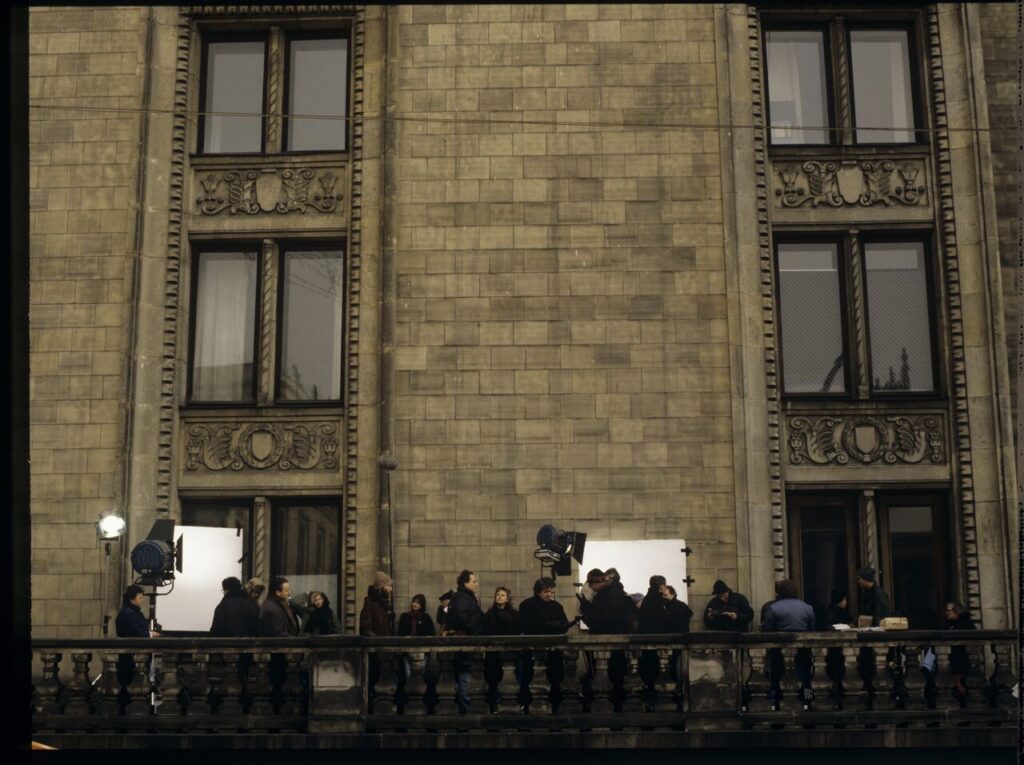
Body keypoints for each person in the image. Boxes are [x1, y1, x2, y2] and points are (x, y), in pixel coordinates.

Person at [579, 565, 634, 712]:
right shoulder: (616, 593)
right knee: (616, 674)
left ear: (598, 582)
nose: (590, 587)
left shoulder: (608, 596)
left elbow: (603, 620)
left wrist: (586, 611)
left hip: (608, 641)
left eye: (591, 584)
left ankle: (609, 706)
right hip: (617, 641)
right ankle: (615, 704)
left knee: (608, 675)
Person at [518, 577, 572, 712]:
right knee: (530, 679)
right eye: (545, 591)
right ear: (538, 591)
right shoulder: (527, 605)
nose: (549, 594)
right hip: (534, 649)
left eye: (550, 591)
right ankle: (528, 706)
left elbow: (563, 624)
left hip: (554, 651)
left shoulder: (556, 606)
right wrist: (549, 625)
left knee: (554, 679)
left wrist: (563, 625)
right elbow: (525, 625)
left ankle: (554, 706)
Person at [761, 579, 816, 710]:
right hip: (803, 651)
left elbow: (767, 629)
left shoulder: (773, 608)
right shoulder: (807, 608)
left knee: (776, 678)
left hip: (779, 652)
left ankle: (776, 705)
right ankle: (807, 703)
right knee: (806, 679)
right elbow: (812, 630)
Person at [444, 569, 483, 714]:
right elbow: (462, 617)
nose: (476, 584)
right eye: (474, 581)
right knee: (463, 675)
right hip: (465, 641)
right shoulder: (462, 597)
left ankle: (464, 708)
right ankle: (464, 710)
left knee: (464, 674)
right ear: (466, 583)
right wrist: (474, 631)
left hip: (466, 641)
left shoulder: (465, 597)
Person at [115, 584, 159, 700]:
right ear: (132, 599)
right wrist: (150, 634)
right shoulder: (128, 613)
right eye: (139, 598)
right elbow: (134, 633)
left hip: (131, 658)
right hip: (130, 658)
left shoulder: (130, 612)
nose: (142, 600)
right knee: (130, 686)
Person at [359, 571, 395, 709]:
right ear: (381, 588)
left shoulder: (383, 605)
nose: (391, 589)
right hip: (376, 653)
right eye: (388, 586)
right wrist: (375, 641)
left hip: (383, 652)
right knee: (374, 681)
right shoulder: (371, 605)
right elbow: (366, 627)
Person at [481, 586, 519, 711]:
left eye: (502, 595)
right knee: (492, 678)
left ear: (507, 598)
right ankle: (493, 705)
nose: (499, 597)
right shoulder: (489, 613)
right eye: (497, 594)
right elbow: (484, 630)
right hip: (493, 652)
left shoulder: (513, 614)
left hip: (508, 652)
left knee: (508, 678)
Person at [638, 575, 671, 710]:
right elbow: (661, 622)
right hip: (655, 640)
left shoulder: (648, 599)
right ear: (661, 586)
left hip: (646, 639)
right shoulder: (657, 601)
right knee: (654, 670)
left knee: (648, 667)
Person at [944, 601, 976, 704]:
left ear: (956, 612)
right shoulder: (951, 625)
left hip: (961, 661)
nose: (946, 613)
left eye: (949, 611)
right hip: (954, 661)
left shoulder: (965, 625)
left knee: (962, 689)